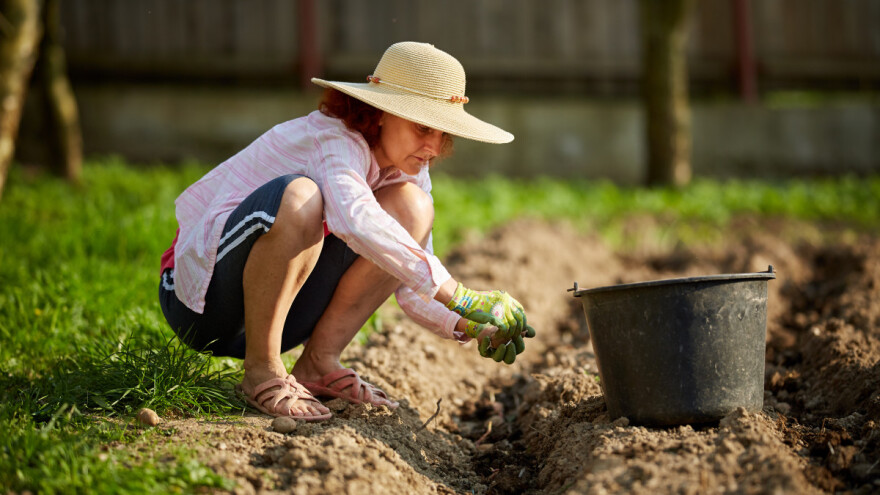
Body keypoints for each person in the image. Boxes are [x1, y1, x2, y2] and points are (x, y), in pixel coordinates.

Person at [158, 42, 535, 421]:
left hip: (284, 315)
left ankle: (318, 364)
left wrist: (469, 323)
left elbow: (408, 276)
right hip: (201, 303)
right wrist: (458, 294)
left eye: (444, 133)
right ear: (384, 112)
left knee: (413, 210)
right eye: (423, 127)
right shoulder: (333, 139)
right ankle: (262, 371)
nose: (434, 147)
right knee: (300, 198)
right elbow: (355, 219)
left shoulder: (410, 172)